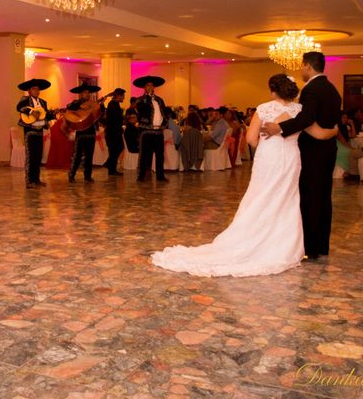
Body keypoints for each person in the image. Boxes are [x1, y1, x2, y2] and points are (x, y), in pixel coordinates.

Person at [152, 74, 337, 277]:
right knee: (287, 198)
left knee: (260, 197)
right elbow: (320, 134)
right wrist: (334, 130)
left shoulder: (264, 109)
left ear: (272, 91)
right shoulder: (299, 111)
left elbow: (251, 140)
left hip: (269, 158)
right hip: (291, 160)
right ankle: (283, 246)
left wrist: (266, 140)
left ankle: (251, 236)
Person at [262, 52, 342, 259]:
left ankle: (310, 248)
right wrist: (331, 132)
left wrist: (279, 127)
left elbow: (306, 118)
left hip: (313, 150)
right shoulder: (333, 89)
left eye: (302, 66)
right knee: (324, 197)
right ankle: (322, 245)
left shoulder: (312, 89)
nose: (301, 70)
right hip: (328, 149)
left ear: (307, 65)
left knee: (310, 197)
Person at [16, 78, 56, 188]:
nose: (36, 91)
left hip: (39, 132)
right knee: (31, 156)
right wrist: (31, 112)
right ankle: (29, 181)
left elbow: (45, 115)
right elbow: (19, 107)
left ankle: (36, 179)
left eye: (38, 89)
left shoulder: (43, 102)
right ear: (29, 91)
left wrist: (53, 114)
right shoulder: (25, 100)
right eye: (34, 89)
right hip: (30, 131)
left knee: (38, 156)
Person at [134, 75, 168, 182]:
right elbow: (141, 111)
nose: (150, 87)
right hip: (147, 131)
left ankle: (160, 176)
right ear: (144, 87)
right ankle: (141, 176)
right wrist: (147, 97)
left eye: (152, 85)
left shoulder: (160, 100)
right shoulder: (141, 100)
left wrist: (164, 123)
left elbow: (164, 112)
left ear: (154, 87)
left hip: (158, 131)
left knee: (160, 155)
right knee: (145, 154)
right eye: (148, 85)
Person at [66, 83, 102, 183]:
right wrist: (80, 105)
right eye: (84, 92)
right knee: (77, 155)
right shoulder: (76, 103)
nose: (86, 94)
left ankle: (87, 176)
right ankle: (71, 174)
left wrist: (99, 107)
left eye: (87, 92)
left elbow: (99, 114)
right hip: (81, 132)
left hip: (91, 132)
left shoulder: (93, 104)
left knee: (89, 155)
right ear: (81, 94)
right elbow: (68, 107)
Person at [103, 87, 126, 176]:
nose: (123, 98)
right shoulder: (112, 104)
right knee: (117, 148)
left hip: (114, 131)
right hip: (113, 132)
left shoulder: (114, 104)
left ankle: (111, 168)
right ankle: (110, 167)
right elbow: (114, 119)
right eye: (122, 96)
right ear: (118, 96)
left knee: (115, 149)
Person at [335, 111, 363, 180]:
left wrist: (352, 124)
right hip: (339, 145)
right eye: (344, 117)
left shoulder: (345, 127)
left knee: (351, 152)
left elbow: (353, 135)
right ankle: (350, 172)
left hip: (345, 145)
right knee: (349, 152)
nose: (346, 119)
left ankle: (353, 173)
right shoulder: (336, 127)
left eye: (346, 118)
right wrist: (352, 148)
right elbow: (342, 141)